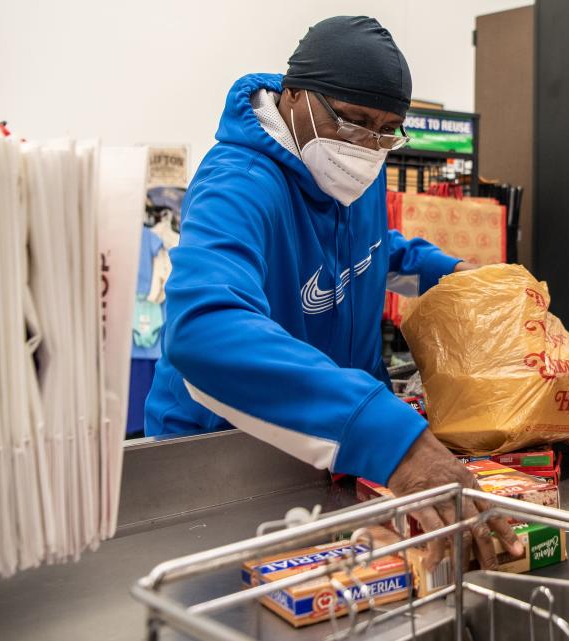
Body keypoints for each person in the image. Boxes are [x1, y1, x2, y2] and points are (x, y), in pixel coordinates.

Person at [144, 16, 522, 568]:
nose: (367, 148)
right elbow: (204, 329)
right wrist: (389, 435)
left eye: (387, 131)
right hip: (221, 465)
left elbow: (378, 261)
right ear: (294, 94)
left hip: (327, 454)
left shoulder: (357, 174)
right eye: (353, 121)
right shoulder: (240, 183)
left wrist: (451, 277)